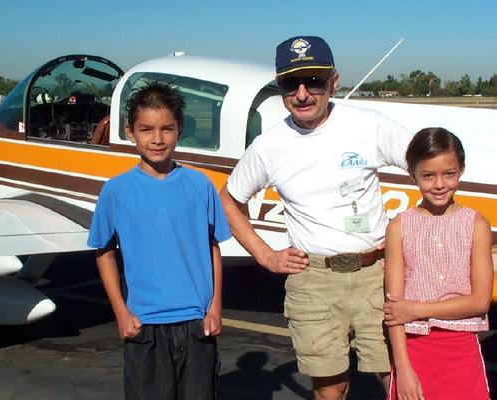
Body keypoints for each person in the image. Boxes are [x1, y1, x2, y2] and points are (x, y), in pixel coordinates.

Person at [220, 36, 412, 400]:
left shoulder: (370, 125)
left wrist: (408, 242)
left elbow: (428, 167)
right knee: (330, 387)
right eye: (290, 83)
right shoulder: (268, 146)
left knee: (397, 377)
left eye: (314, 81)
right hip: (313, 281)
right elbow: (228, 200)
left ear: (333, 81)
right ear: (280, 87)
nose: (302, 94)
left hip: (377, 274)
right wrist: (266, 255)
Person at [88, 81, 231, 400]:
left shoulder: (200, 185)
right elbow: (104, 252)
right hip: (144, 326)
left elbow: (212, 246)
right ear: (130, 132)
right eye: (146, 129)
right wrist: (121, 313)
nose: (157, 139)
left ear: (180, 129)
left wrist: (215, 306)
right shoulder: (116, 191)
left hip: (197, 324)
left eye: (167, 128)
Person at [384, 127, 493, 400]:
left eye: (449, 174)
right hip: (413, 350)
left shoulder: (476, 225)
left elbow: (480, 301)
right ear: (412, 174)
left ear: (461, 170)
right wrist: (403, 368)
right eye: (428, 175)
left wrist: (416, 309)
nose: (440, 184)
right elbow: (394, 310)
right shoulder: (399, 227)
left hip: (462, 349)